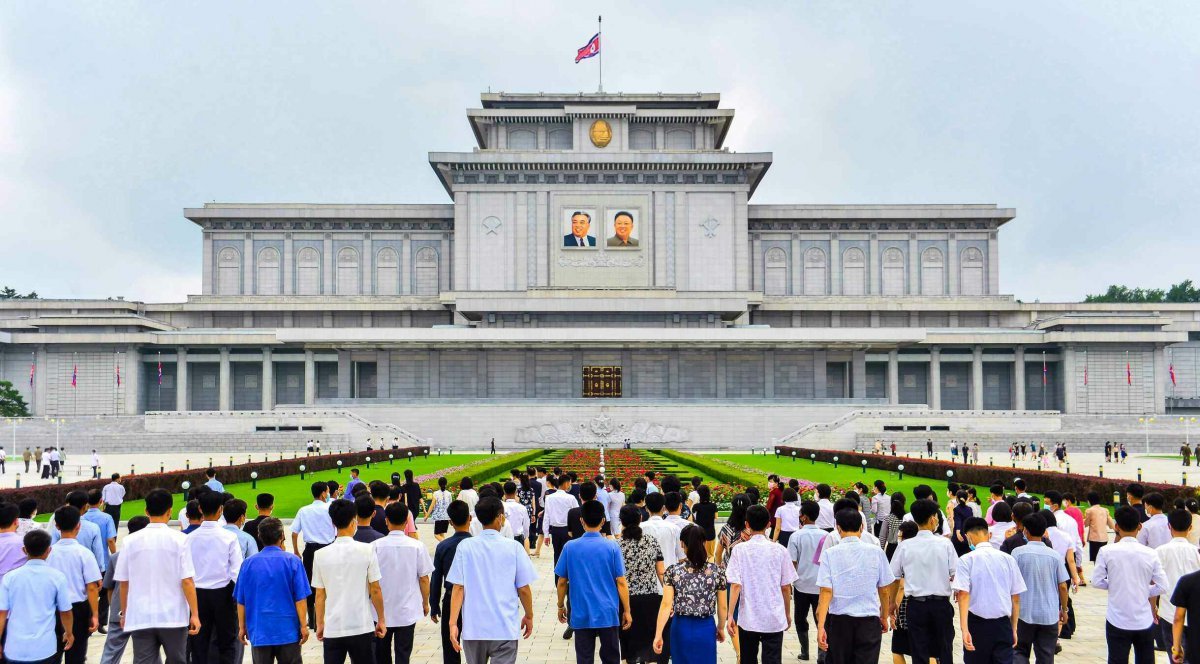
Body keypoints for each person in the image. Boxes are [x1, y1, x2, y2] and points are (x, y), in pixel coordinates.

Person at [446, 496, 538, 664]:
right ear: (500, 517)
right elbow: (523, 588)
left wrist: (453, 623)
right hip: (504, 627)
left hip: (474, 628)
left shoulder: (466, 546)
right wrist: (529, 615)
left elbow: (458, 588)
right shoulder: (514, 547)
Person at [115, 488, 201, 664]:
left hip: (141, 615)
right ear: (170, 511)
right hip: (173, 616)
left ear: (146, 511)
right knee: (177, 660)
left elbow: (124, 583)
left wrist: (125, 612)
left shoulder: (130, 541)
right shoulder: (180, 540)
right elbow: (187, 581)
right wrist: (195, 614)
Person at [815, 507, 896, 664]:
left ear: (838, 528)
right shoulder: (876, 552)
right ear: (862, 527)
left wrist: (820, 627)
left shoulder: (830, 554)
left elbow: (825, 591)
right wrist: (883, 616)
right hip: (868, 621)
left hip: (839, 621)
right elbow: (884, 589)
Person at [555, 501, 632, 664]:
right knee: (611, 658)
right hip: (607, 611)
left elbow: (562, 581)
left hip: (581, 611)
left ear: (581, 520)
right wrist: (627, 610)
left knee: (584, 657)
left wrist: (561, 605)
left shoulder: (570, 547)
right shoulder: (612, 547)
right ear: (603, 521)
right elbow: (621, 582)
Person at [312, 499, 386, 664]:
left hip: (333, 626)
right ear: (354, 521)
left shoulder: (320, 554)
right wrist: (381, 619)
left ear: (333, 522)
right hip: (361, 624)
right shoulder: (367, 550)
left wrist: (320, 623)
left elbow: (320, 595)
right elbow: (375, 589)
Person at [1092, 506, 1168, 664]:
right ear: (1140, 526)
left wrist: (1116, 584)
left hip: (1117, 618)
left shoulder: (1106, 551)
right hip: (1144, 620)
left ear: (1117, 527)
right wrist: (1143, 589)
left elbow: (1097, 581)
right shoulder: (1151, 553)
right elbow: (1163, 586)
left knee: (1116, 660)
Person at [726, 504, 798, 664]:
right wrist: (787, 613)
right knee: (772, 659)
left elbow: (735, 585)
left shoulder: (739, 550)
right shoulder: (780, 550)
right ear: (768, 524)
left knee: (748, 659)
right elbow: (786, 587)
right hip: (773, 617)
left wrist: (731, 615)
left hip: (748, 617)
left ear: (747, 524)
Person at [889, 498, 958, 664]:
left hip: (916, 606)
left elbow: (894, 578)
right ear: (933, 518)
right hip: (941, 605)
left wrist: (892, 604)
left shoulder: (905, 546)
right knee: (944, 650)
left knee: (919, 651)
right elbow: (956, 574)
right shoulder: (945, 544)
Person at [234, 516, 310, 664]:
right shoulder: (292, 561)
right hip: (288, 631)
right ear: (282, 536)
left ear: (259, 536)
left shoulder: (248, 564)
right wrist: (303, 626)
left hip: (259, 630)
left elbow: (241, 600)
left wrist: (242, 626)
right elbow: (300, 598)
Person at [953, 517, 1026, 664]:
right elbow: (1016, 597)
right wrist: (1014, 628)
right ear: (989, 535)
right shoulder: (1008, 559)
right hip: (1002, 625)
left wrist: (964, 629)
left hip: (977, 625)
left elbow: (963, 595)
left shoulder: (966, 560)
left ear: (968, 537)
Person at [653, 524, 728, 664]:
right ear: (704, 543)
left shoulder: (673, 571)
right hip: (706, 627)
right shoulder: (718, 572)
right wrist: (721, 627)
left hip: (681, 627)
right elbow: (723, 607)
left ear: (682, 544)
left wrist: (658, 634)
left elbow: (666, 605)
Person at [0, 529, 75, 664]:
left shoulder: (9, 578)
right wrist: (69, 632)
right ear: (48, 551)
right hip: (44, 648)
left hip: (15, 648)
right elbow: (65, 612)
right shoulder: (57, 577)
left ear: (24, 550)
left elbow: (2, 613)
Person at [186, 490, 243, 664]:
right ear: (220, 510)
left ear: (200, 509)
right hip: (223, 594)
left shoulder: (189, 538)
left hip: (197, 594)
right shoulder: (229, 537)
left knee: (199, 642)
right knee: (226, 642)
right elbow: (237, 572)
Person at [372, 503, 433, 664]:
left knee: (381, 654)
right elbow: (424, 578)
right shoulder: (417, 546)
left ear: (387, 521)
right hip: (407, 609)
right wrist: (425, 602)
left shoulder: (375, 547)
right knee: (403, 654)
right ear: (407, 521)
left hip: (380, 611)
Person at [1010, 513, 1069, 664]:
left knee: (1019, 651)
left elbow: (1011, 583)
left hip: (1023, 612)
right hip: (1048, 614)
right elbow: (1062, 586)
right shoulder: (1054, 555)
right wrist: (1064, 609)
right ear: (1044, 531)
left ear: (1026, 531)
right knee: (1046, 655)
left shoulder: (1017, 553)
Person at [47, 506, 102, 664]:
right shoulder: (84, 553)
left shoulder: (49, 552)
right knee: (76, 654)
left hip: (53, 608)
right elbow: (91, 587)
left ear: (57, 526)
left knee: (53, 652)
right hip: (78, 608)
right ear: (79, 525)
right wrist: (95, 614)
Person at [617, 505, 664, 663]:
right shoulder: (651, 541)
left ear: (621, 522)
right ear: (640, 519)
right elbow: (661, 572)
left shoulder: (617, 545)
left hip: (625, 600)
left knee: (627, 647)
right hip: (650, 599)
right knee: (649, 647)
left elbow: (615, 578)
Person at [99, 516, 149, 664]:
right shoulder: (150, 556)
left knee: (111, 652)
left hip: (119, 610)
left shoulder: (116, 557)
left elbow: (109, 588)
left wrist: (115, 607)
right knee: (146, 653)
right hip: (143, 611)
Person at [1155, 509, 1200, 660]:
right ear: (1190, 528)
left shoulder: (1160, 552)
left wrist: (1153, 605)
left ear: (1169, 526)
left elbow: (1154, 581)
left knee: (1175, 657)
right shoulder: (1196, 552)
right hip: (1194, 613)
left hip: (1169, 612)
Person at [430, 501, 471, 664]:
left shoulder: (444, 546)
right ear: (470, 518)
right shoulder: (476, 545)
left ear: (450, 522)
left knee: (450, 645)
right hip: (473, 599)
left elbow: (436, 578)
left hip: (450, 598)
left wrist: (434, 605)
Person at [291, 481, 336, 631]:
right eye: (327, 491)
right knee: (329, 583)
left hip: (310, 551)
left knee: (310, 583)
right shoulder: (330, 508)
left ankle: (313, 619)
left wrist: (296, 551)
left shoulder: (304, 510)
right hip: (328, 548)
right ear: (323, 493)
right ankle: (327, 617)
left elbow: (294, 532)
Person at [787, 501, 825, 661]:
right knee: (821, 620)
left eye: (800, 514)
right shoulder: (826, 536)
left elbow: (792, 563)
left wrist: (788, 583)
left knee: (800, 619)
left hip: (801, 585)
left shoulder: (796, 536)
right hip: (822, 587)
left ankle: (805, 651)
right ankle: (822, 655)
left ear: (805, 517)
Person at [1086, 492, 1115, 562]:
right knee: (1103, 558)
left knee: (1096, 560)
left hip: (1094, 538)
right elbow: (1111, 524)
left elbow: (1086, 524)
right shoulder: (1105, 510)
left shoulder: (1089, 511)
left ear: (1089, 501)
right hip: (1104, 538)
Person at [427, 477, 454, 542]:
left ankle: (446, 545)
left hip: (438, 518)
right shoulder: (449, 494)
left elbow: (431, 506)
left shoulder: (436, 494)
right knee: (442, 534)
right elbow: (450, 506)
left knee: (436, 535)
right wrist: (450, 518)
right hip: (446, 517)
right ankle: (443, 549)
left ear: (439, 484)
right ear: (446, 484)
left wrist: (426, 516)